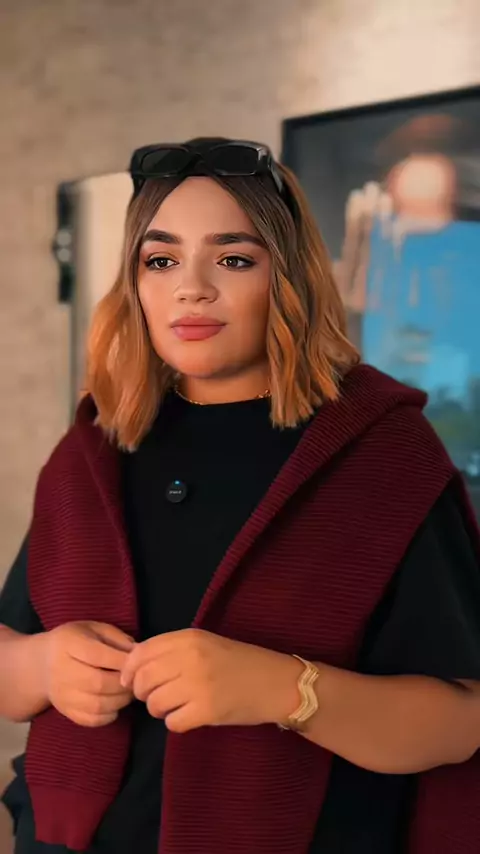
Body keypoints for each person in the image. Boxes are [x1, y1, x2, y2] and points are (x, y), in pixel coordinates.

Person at [0, 137, 479, 854]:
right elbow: (10, 666)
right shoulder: (93, 449)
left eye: (233, 259)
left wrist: (286, 690)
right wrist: (41, 665)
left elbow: (462, 722)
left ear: (288, 276)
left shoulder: (385, 455)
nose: (191, 288)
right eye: (161, 260)